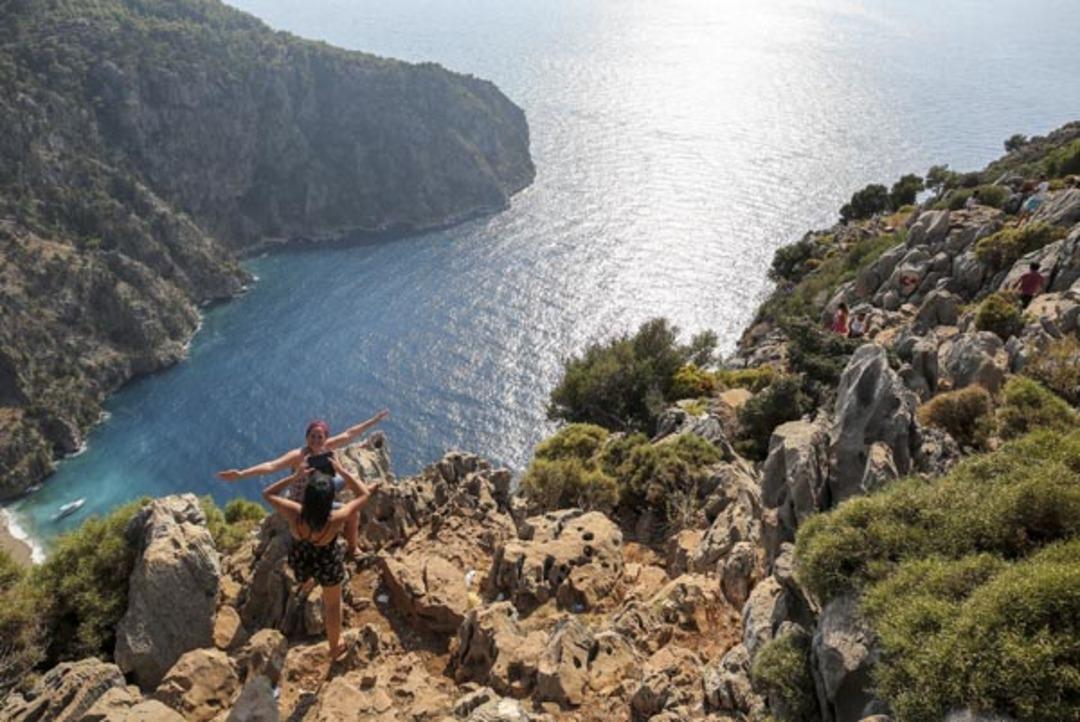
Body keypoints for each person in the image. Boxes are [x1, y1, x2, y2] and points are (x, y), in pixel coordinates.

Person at [217, 410, 389, 556]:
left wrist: (373, 421)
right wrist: (240, 474)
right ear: (306, 437)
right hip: (308, 500)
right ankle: (353, 548)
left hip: (324, 487)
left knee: (350, 476)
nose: (316, 440)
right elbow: (271, 466)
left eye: (319, 436)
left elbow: (350, 434)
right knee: (353, 513)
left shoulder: (328, 447)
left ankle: (365, 490)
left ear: (325, 438)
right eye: (312, 436)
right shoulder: (298, 456)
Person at [263, 456, 378, 660]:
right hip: (326, 561)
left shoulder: (294, 512)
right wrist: (342, 471)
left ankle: (308, 580)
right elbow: (364, 493)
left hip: (301, 556)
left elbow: (268, 493)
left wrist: (295, 477)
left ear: (307, 496)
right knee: (333, 605)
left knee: (305, 572)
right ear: (329, 500)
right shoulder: (335, 518)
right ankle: (334, 647)